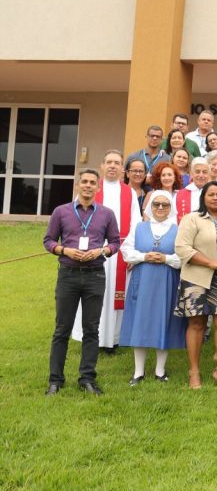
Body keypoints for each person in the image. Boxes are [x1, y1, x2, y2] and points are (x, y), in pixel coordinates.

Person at [43, 168, 121, 396]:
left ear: (98, 187)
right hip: (68, 274)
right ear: (78, 185)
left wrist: (101, 251)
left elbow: (115, 242)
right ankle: (55, 380)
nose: (88, 185)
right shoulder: (61, 211)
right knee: (62, 329)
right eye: (84, 181)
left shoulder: (106, 213)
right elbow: (48, 240)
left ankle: (87, 378)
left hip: (95, 275)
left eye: (92, 182)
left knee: (91, 329)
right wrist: (64, 249)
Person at [174, 181, 217, 389]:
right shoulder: (192, 219)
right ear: (203, 197)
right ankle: (194, 372)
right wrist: (211, 262)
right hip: (198, 278)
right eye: (211, 194)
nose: (215, 198)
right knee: (197, 324)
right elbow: (182, 248)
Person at [72, 150, 142, 352]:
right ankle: (91, 335)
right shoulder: (90, 188)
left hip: (118, 251)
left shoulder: (129, 192)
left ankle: (113, 338)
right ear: (102, 166)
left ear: (122, 169)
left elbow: (136, 224)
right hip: (92, 251)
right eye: (109, 162)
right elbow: (76, 218)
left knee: (116, 294)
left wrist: (131, 252)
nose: (112, 166)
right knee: (92, 293)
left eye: (117, 163)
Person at [119, 191, 186, 386]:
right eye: (156, 204)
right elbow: (126, 250)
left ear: (170, 208)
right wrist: (144, 257)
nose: (160, 208)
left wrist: (166, 258)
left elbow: (184, 256)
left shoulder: (178, 229)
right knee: (141, 321)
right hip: (143, 279)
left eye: (165, 205)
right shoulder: (139, 227)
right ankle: (138, 372)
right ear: (150, 206)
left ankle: (160, 371)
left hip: (167, 281)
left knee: (163, 322)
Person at [174, 157, 211, 221]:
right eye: (197, 172)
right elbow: (173, 218)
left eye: (204, 172)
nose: (201, 175)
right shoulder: (179, 194)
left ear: (209, 174)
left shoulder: (214, 193)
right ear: (191, 174)